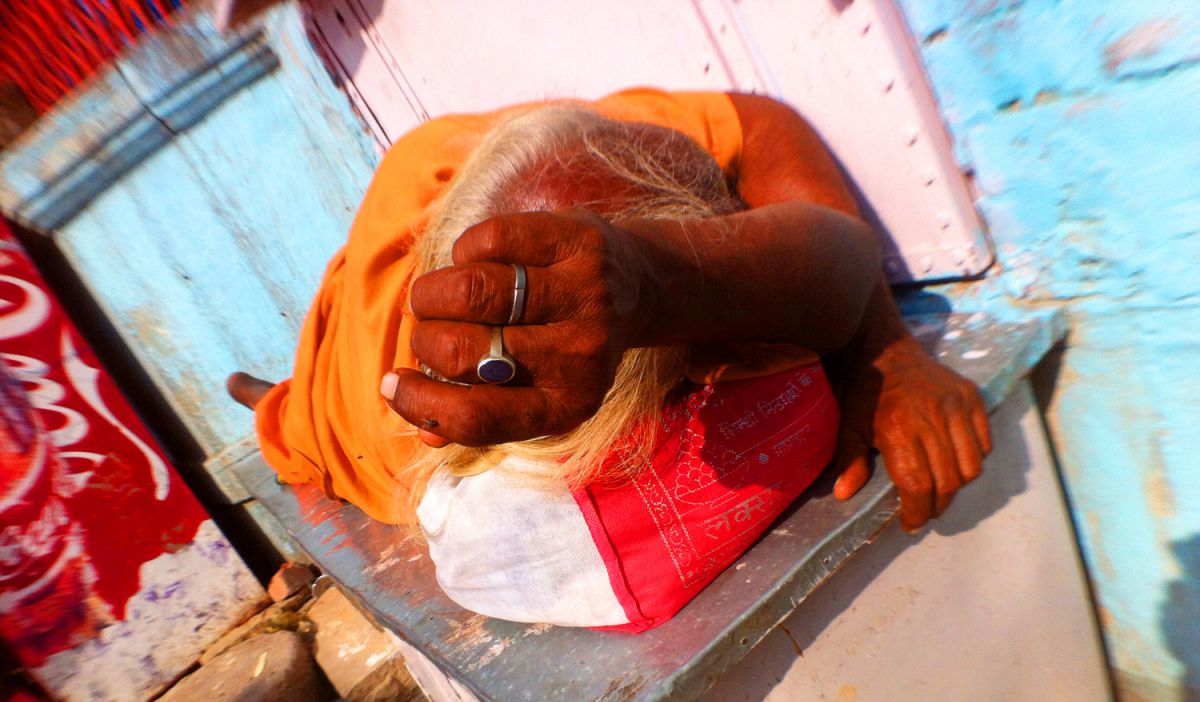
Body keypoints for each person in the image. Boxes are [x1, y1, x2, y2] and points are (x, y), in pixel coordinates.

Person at [229, 89, 990, 543]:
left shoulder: (449, 155)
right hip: (341, 424)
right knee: (293, 422)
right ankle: (266, 396)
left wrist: (887, 354)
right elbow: (838, 266)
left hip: (386, 241)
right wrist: (656, 282)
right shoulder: (658, 377)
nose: (740, 204)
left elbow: (753, 122)